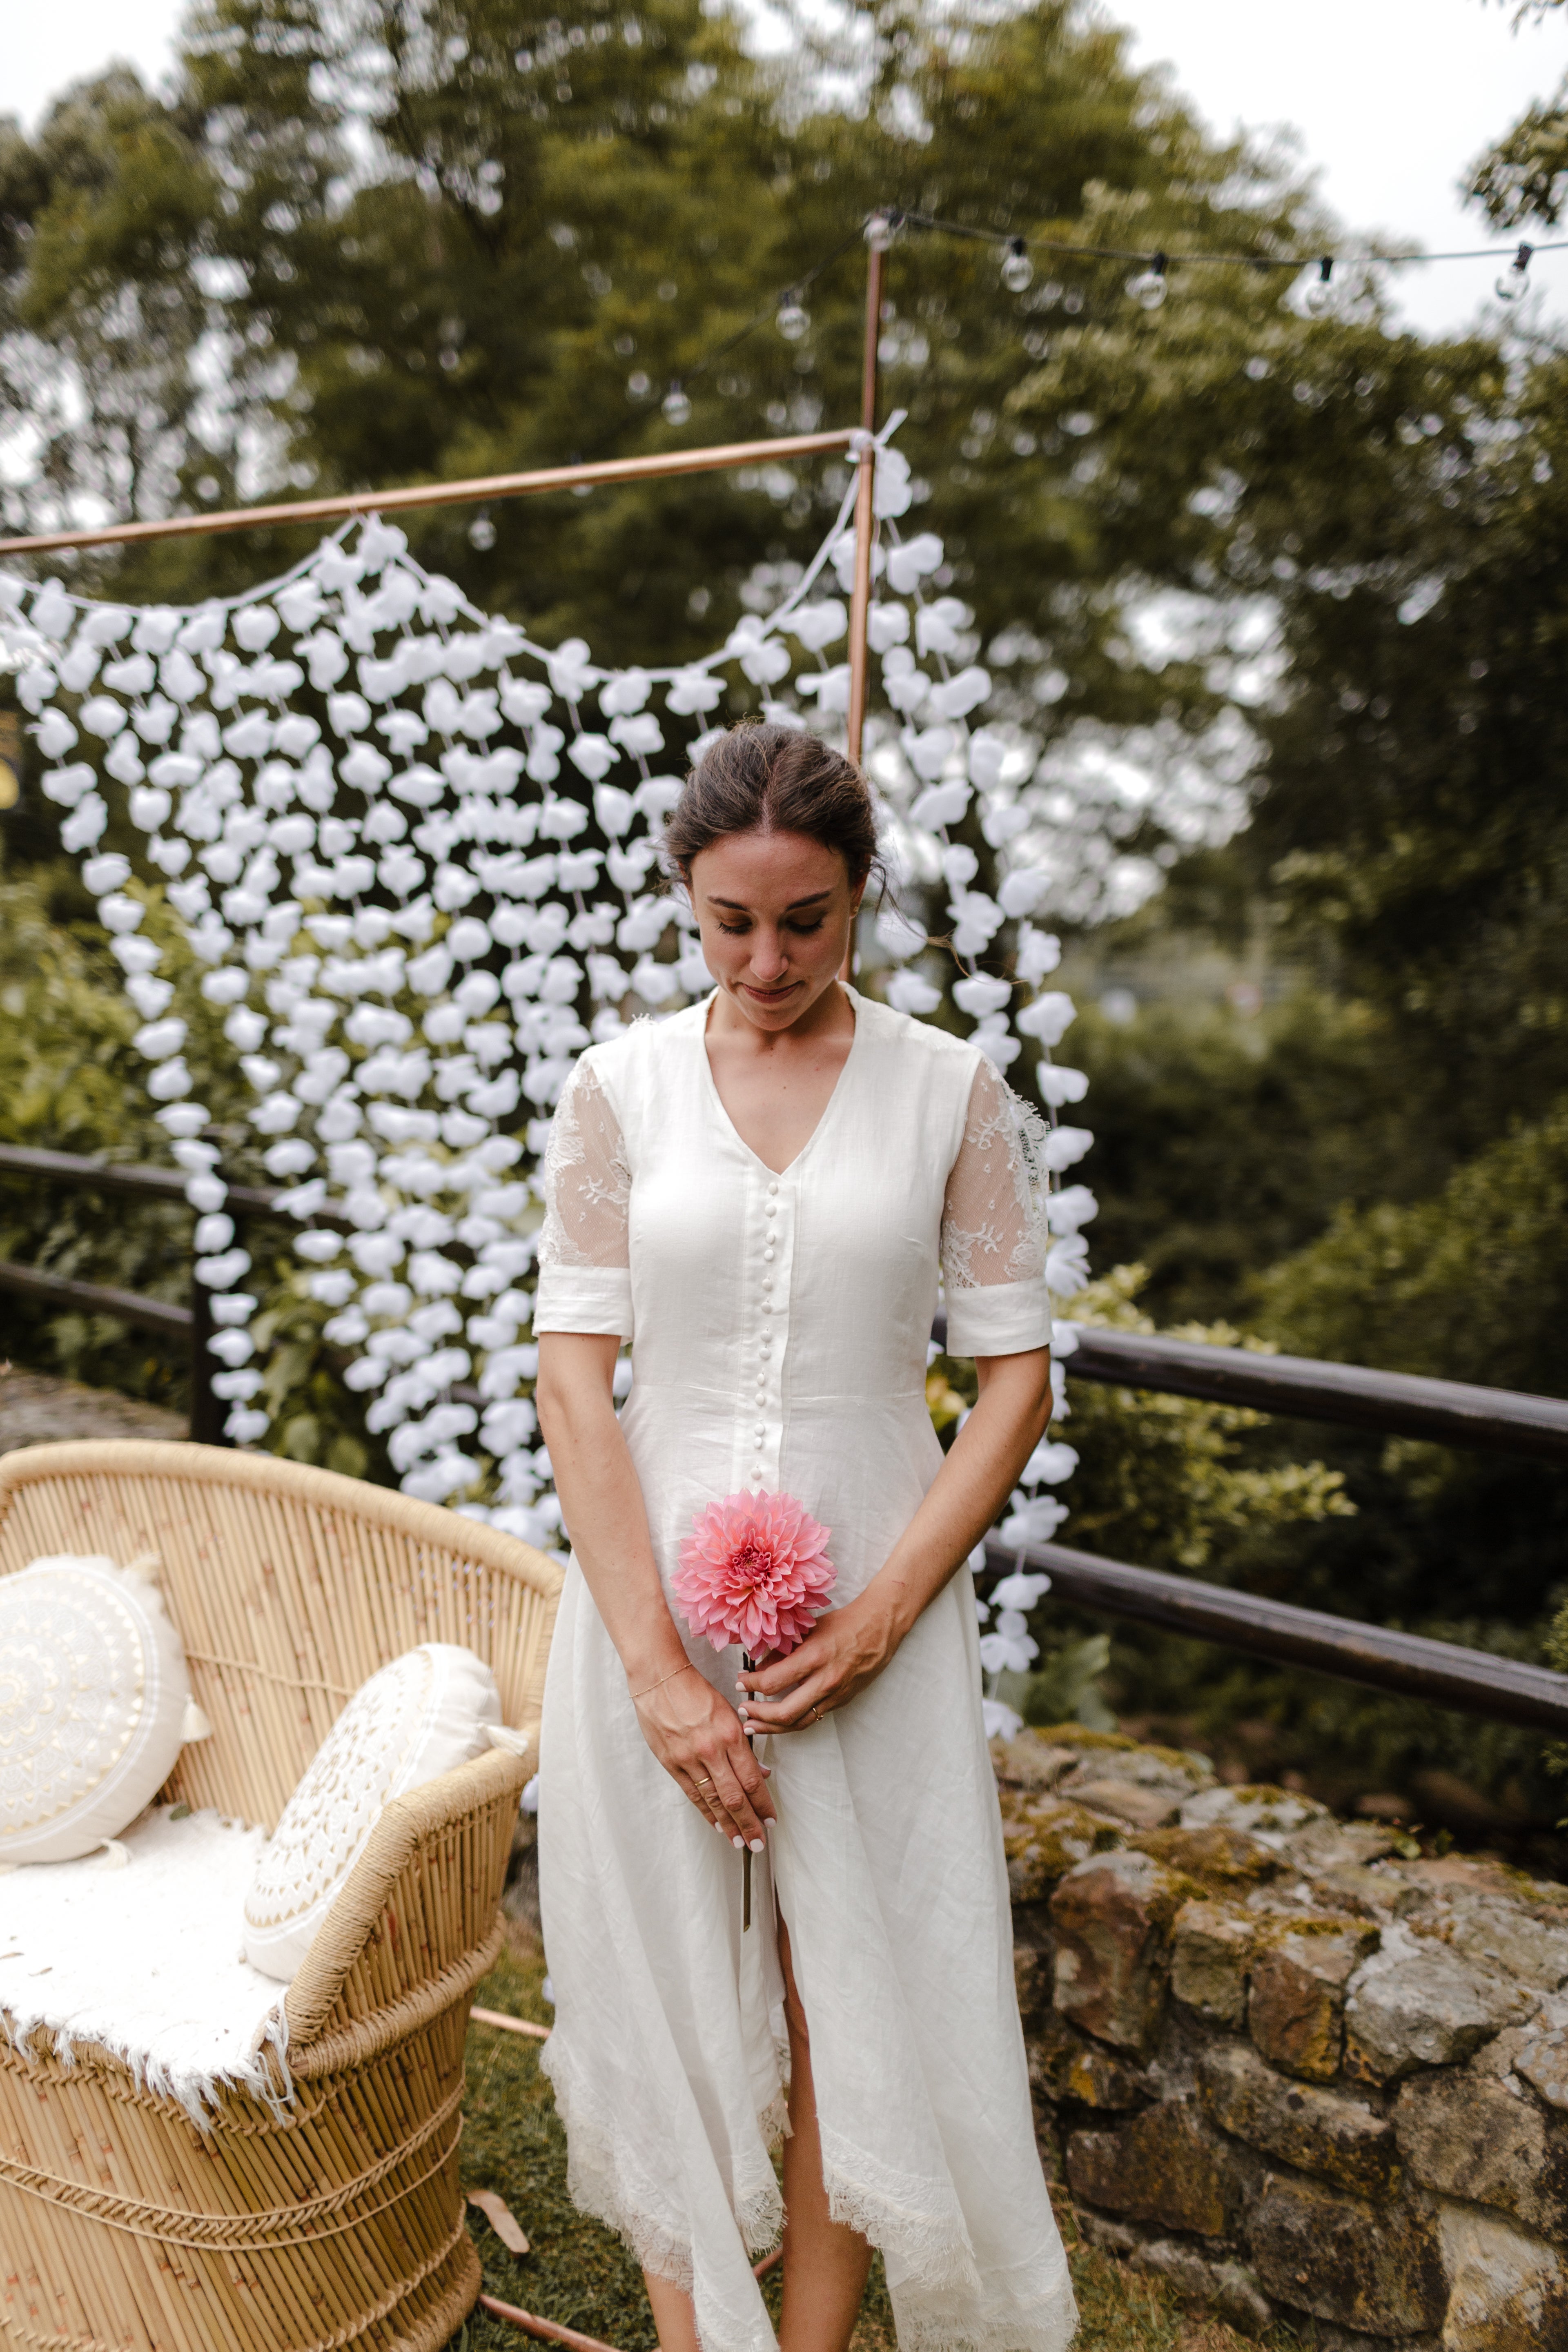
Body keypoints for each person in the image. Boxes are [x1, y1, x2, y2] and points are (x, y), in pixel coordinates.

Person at [534, 722, 1077, 2352]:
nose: (766, 960)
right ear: (685, 903)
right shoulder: (615, 1089)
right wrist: (654, 1674)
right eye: (729, 922)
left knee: (859, 1984)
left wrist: (890, 1610)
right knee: (667, 1982)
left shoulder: (948, 1093)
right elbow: (574, 1373)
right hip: (650, 1598)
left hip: (874, 1598)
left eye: (807, 920)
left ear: (862, 901)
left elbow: (1015, 1377)